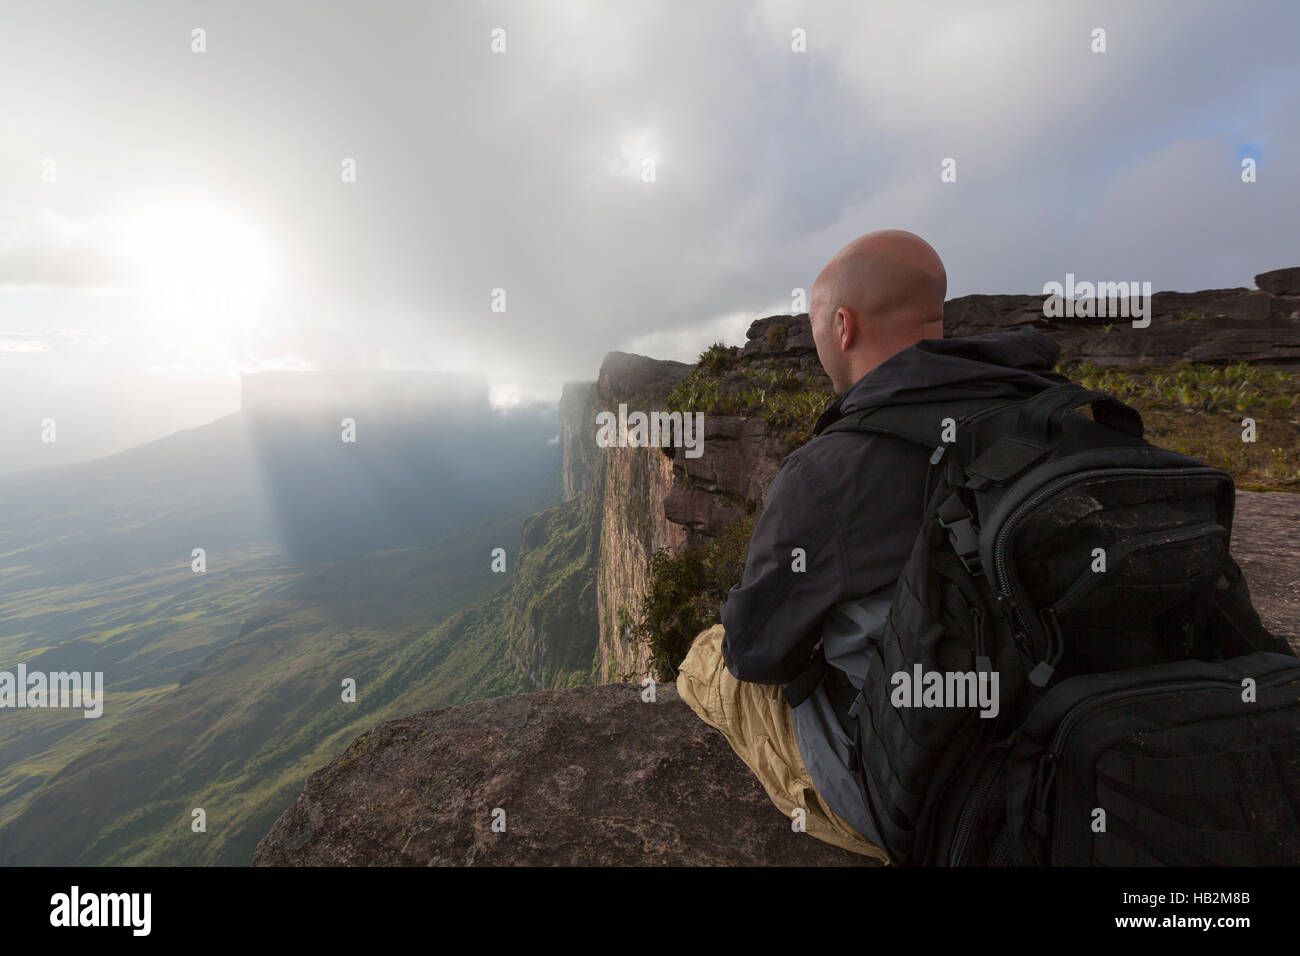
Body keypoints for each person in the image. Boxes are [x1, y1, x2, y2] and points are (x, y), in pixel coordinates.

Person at [675, 229, 1070, 861]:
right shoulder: (1052, 411)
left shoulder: (829, 471)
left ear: (842, 325)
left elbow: (755, 655)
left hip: (940, 794)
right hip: (1073, 748)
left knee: (710, 654)